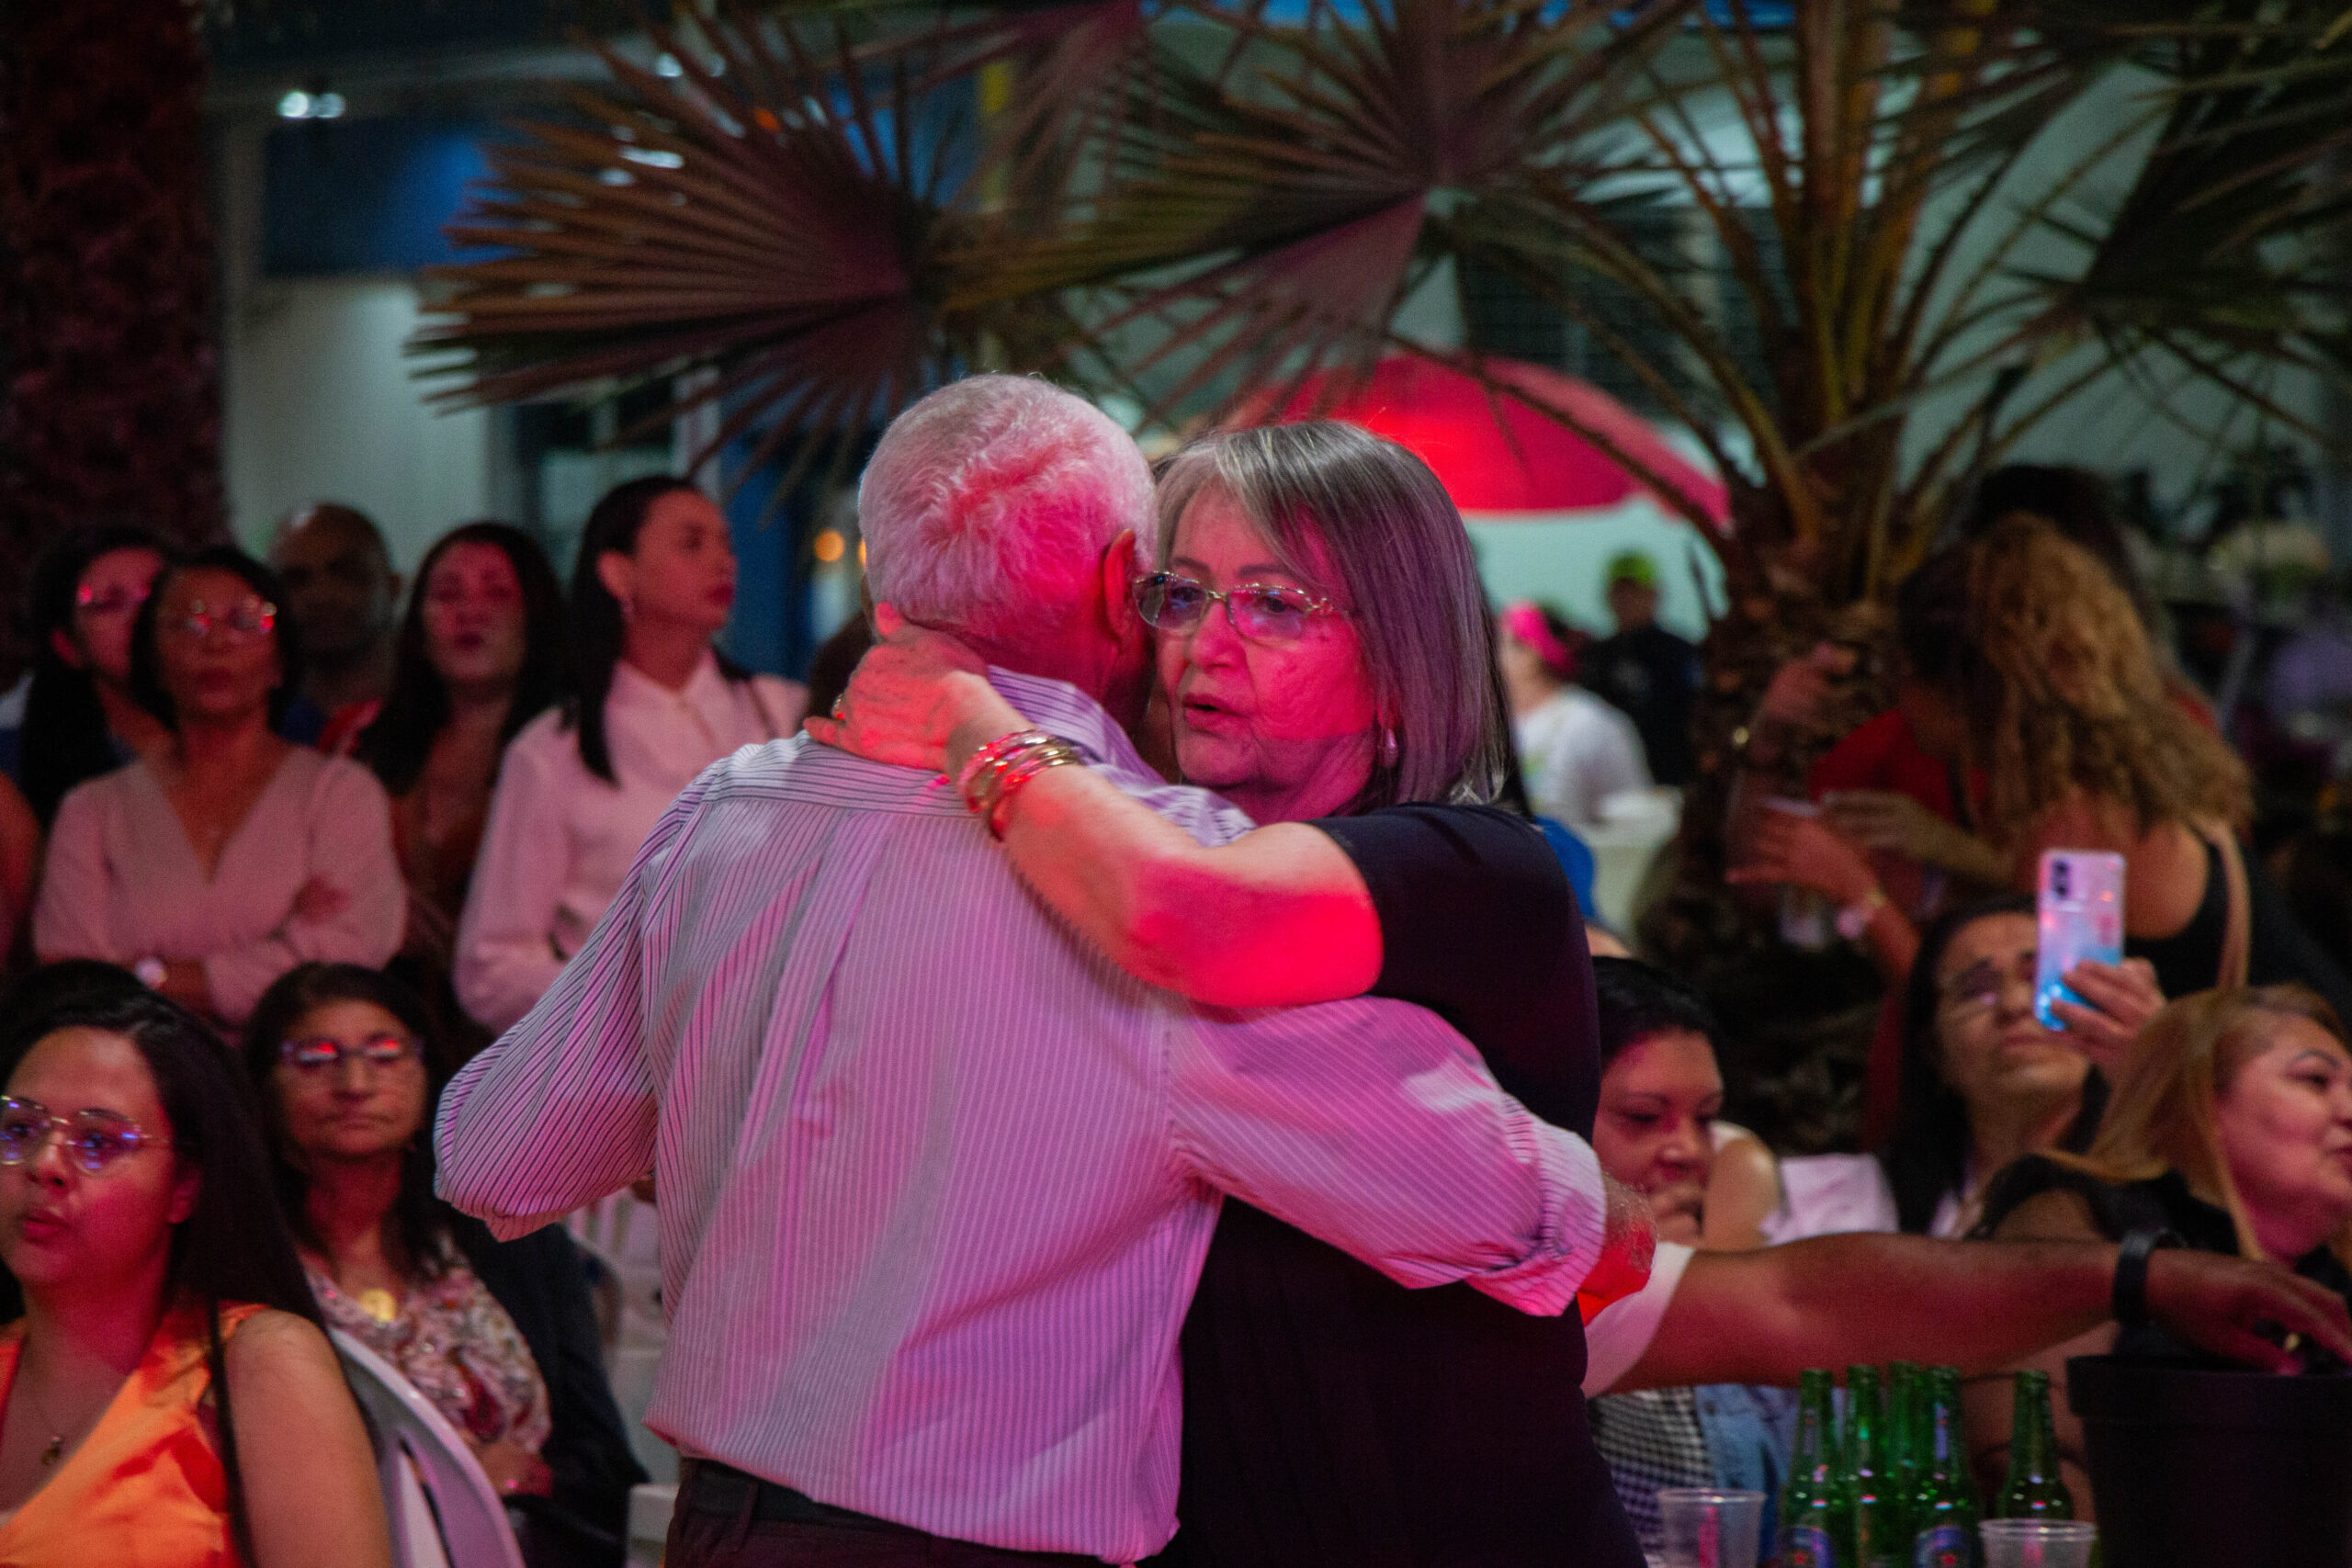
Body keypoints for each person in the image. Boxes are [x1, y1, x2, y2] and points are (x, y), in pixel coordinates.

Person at [437, 377, 1640, 1568]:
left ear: (882, 573)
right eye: (1186, 592)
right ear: (1127, 586)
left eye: (1273, 603)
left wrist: (751, 1137)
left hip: (716, 1526)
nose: (1208, 642)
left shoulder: (721, 817)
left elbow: (492, 1154)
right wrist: (1597, 1200)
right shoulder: (1140, 882)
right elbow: (1502, 1204)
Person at [243, 963, 643, 1568]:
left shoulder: (516, 1246)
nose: (355, 1082)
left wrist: (525, 1475)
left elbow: (608, 1468)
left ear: (429, 1076)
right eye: (317, 1056)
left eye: (384, 1052)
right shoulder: (242, 1263)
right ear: (265, 1085)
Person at [0, 983, 391, 1566]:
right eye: (19, 1130)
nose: (45, 1165)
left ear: (183, 1188)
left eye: (99, 1141)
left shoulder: (256, 1365)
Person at [1973, 985, 2352, 1511]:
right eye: (2316, 1080)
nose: (2350, 1110)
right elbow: (2027, 1465)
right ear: (2197, 1100)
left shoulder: (2336, 1278)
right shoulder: (2083, 1218)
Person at [453, 478, 806, 1035]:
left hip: (781, 1044)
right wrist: (628, 1006)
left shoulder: (784, 715)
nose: (723, 562)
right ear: (619, 572)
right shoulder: (552, 751)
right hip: (631, 1065)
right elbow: (491, 966)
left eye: (727, 544)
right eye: (692, 544)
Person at [32, 547, 405, 1026]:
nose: (216, 643)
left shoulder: (339, 794)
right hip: (138, 1075)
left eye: (245, 621)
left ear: (280, 661)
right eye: (189, 623)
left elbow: (338, 961)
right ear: (154, 661)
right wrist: (277, 948)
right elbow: (74, 977)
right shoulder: (92, 811)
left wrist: (145, 972)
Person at [1765, 897, 2165, 1242]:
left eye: (2040, 979)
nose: (2012, 1004)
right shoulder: (1842, 1206)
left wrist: (2168, 1060)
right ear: (1935, 1053)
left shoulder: (2164, 1189)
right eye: (1977, 990)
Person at [354, 524, 569, 1031]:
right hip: (387, 1024)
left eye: (498, 593)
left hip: (534, 1035)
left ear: (537, 616)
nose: (469, 613)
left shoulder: (575, 751)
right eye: (447, 594)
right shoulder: (358, 742)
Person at [8, 525, 174, 824]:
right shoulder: (27, 776)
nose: (141, 618)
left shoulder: (271, 740)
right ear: (67, 645)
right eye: (110, 604)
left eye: (158, 595)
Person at [1498, 599, 1651, 831]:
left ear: (1533, 652)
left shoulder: (1593, 724)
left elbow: (1633, 816)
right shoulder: (1488, 730)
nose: (1489, 655)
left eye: (1502, 643)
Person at [268, 502, 403, 744]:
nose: (321, 595)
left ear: (393, 586)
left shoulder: (445, 716)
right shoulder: (258, 727)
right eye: (295, 580)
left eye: (346, 574)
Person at [1581, 550, 1702, 785]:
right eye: (1620, 590)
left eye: (1635, 590)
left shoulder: (1679, 651)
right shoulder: (1595, 654)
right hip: (1610, 780)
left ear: (1655, 594)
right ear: (1608, 596)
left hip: (1670, 776)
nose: (1627, 599)